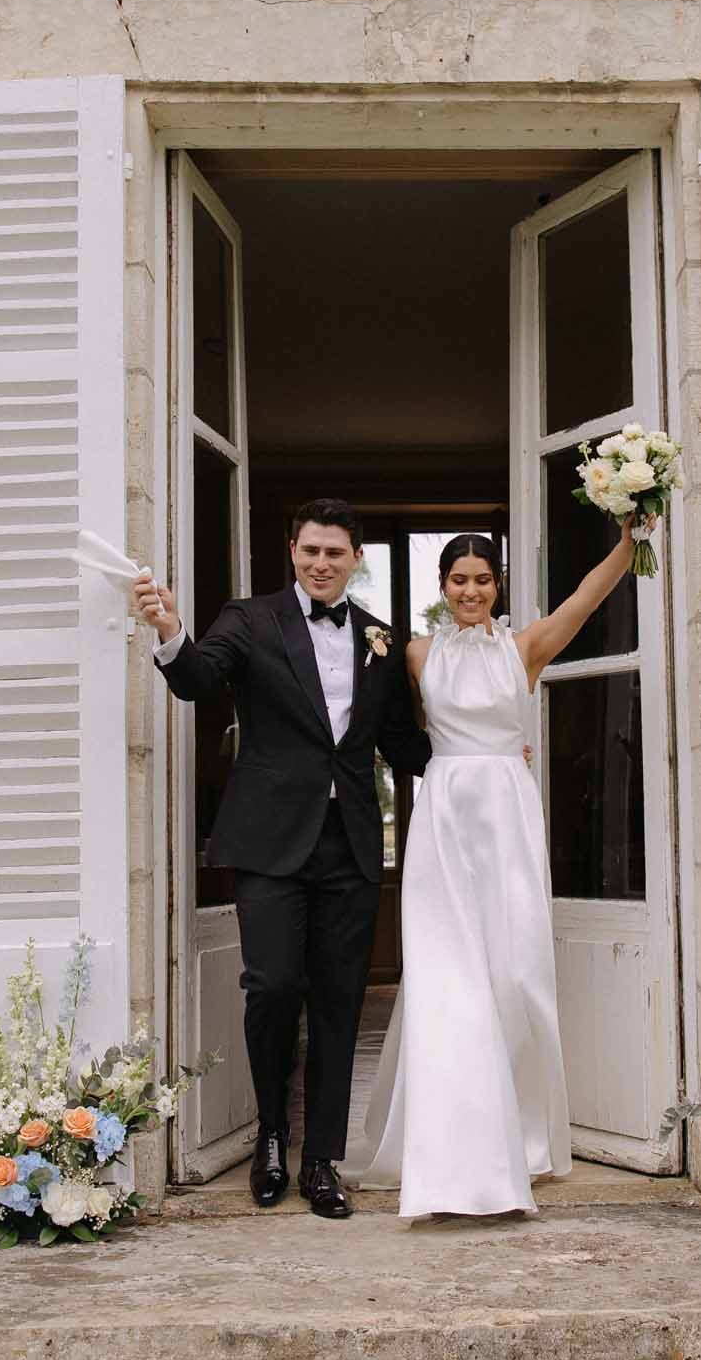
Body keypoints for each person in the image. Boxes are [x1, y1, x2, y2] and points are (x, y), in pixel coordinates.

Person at [134, 499, 431, 1219]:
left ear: (356, 557)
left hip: (352, 843)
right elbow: (200, 680)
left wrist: (480, 752)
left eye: (335, 553)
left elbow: (401, 745)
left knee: (338, 1003)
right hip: (269, 840)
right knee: (270, 986)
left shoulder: (381, 639)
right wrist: (171, 631)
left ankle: (321, 1162)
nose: (322, 564)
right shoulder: (250, 619)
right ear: (291, 552)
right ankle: (271, 1134)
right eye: (310, 552)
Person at [349, 517, 647, 1220]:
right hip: (444, 817)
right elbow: (381, 722)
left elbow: (585, 599)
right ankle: (449, 1157)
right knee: (448, 978)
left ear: (498, 584)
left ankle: (524, 1139)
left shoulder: (526, 648)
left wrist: (629, 542)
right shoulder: (416, 655)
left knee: (513, 975)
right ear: (442, 586)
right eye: (459, 580)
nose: (471, 591)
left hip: (507, 818)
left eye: (482, 580)